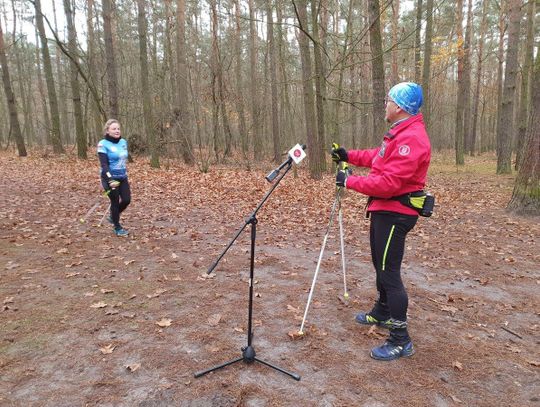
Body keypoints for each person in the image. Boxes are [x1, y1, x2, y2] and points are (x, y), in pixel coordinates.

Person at [332, 82, 431, 361]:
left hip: (396, 212)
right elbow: (378, 159)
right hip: (384, 210)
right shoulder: (399, 133)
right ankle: (383, 311)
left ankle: (401, 339)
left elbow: (388, 183)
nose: (385, 104)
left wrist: (349, 180)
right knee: (380, 264)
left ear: (399, 106)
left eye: (388, 100)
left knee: (389, 272)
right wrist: (348, 155)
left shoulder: (412, 139)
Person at [97, 119, 131, 237]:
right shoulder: (103, 144)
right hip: (109, 178)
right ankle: (117, 227)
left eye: (118, 128)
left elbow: (123, 160)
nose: (117, 131)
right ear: (107, 130)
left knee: (126, 200)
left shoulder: (123, 142)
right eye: (114, 129)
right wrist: (110, 179)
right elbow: (104, 164)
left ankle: (112, 216)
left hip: (122, 176)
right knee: (115, 202)